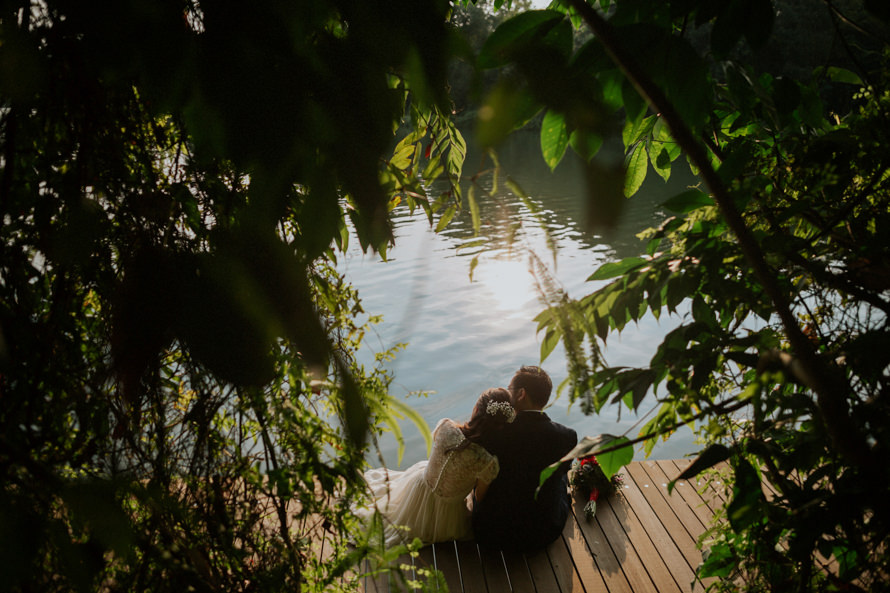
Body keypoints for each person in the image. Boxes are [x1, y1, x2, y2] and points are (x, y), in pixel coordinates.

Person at [356, 387, 516, 548]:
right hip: (447, 518)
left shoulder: (446, 427)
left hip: (418, 490)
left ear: (476, 409)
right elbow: (478, 498)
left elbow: (437, 446)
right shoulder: (487, 462)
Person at [471, 366, 578, 553]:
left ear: (521, 394)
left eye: (509, 389)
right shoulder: (567, 436)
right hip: (544, 533)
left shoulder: (494, 434)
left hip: (491, 533)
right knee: (560, 476)